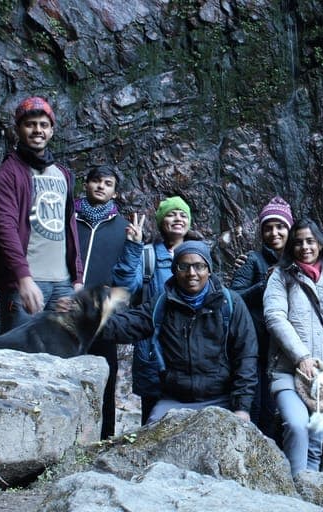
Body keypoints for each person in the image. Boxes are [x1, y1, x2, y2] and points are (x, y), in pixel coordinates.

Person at [99, 241, 257, 423]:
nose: (192, 273)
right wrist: (87, 321)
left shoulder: (230, 304)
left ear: (209, 270)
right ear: (174, 270)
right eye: (184, 266)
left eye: (199, 266)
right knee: (153, 441)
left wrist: (242, 408)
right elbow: (128, 325)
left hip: (221, 397)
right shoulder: (162, 304)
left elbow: (246, 357)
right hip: (174, 399)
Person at [263, 219, 323, 476]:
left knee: (316, 443)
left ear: (320, 244)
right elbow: (274, 317)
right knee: (296, 425)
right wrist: (301, 356)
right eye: (299, 242)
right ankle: (295, 494)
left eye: (310, 241)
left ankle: (307, 494)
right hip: (287, 370)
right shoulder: (281, 276)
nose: (305, 247)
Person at [0, 96, 83, 333]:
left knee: (63, 357)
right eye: (30, 124)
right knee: (20, 359)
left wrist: (78, 278)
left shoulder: (63, 174)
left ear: (52, 130)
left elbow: (69, 227)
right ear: (18, 129)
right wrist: (23, 278)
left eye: (43, 124)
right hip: (26, 283)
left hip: (63, 284)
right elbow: (4, 228)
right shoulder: (7, 175)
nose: (37, 130)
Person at [112, 195, 197, 424]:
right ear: (161, 222)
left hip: (190, 350)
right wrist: (132, 247)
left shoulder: (199, 254)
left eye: (183, 214)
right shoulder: (146, 255)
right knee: (152, 419)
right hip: (153, 350)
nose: (178, 218)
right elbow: (125, 287)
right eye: (171, 214)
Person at [231, 196, 294, 439]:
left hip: (288, 349)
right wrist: (263, 285)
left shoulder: (300, 260)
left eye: (280, 227)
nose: (274, 232)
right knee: (259, 408)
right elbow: (233, 298)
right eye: (268, 227)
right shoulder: (252, 261)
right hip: (257, 348)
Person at [75, 165, 129, 439]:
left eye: (107, 183)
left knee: (106, 370)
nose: (100, 187)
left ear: (114, 192)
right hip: (66, 306)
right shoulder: (68, 218)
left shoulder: (123, 227)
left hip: (102, 311)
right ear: (85, 184)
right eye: (95, 181)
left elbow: (127, 272)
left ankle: (105, 436)